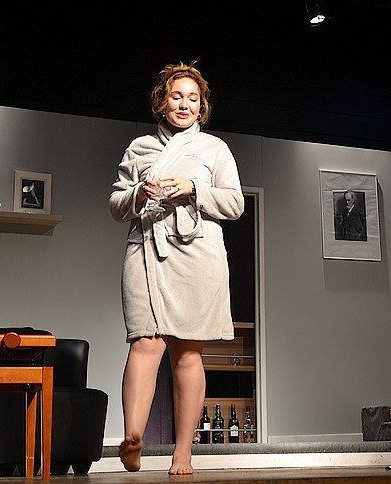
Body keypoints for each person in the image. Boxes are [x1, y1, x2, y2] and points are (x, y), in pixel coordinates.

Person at [109, 61, 244, 475]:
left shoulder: (215, 149)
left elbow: (235, 203)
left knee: (187, 352)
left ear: (202, 107)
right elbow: (116, 204)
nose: (184, 104)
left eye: (193, 98)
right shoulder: (139, 147)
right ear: (161, 101)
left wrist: (194, 188)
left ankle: (183, 452)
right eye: (176, 96)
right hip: (146, 249)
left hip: (197, 254)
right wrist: (138, 192)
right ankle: (133, 436)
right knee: (144, 343)